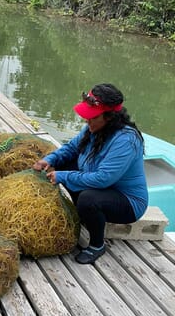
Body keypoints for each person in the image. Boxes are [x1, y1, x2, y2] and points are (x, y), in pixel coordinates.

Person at [33, 83, 148, 264]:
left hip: (127, 201)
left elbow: (103, 179)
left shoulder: (126, 140)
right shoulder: (93, 128)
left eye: (92, 117)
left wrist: (62, 176)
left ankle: (97, 245)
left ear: (109, 117)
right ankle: (87, 216)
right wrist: (49, 160)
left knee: (88, 199)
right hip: (101, 186)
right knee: (64, 162)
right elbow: (71, 148)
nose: (87, 121)